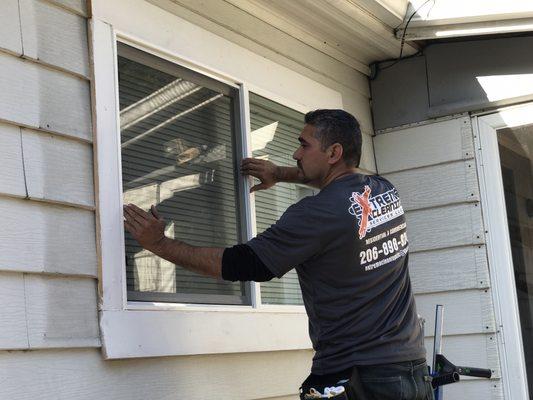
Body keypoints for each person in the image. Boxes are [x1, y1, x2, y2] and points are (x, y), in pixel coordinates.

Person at [123, 109, 434, 400]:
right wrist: (279, 173)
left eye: (304, 145)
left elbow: (242, 264)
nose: (296, 153)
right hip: (410, 368)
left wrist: (160, 244)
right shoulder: (382, 190)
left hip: (358, 377)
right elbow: (334, 180)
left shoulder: (315, 214)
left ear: (334, 152)